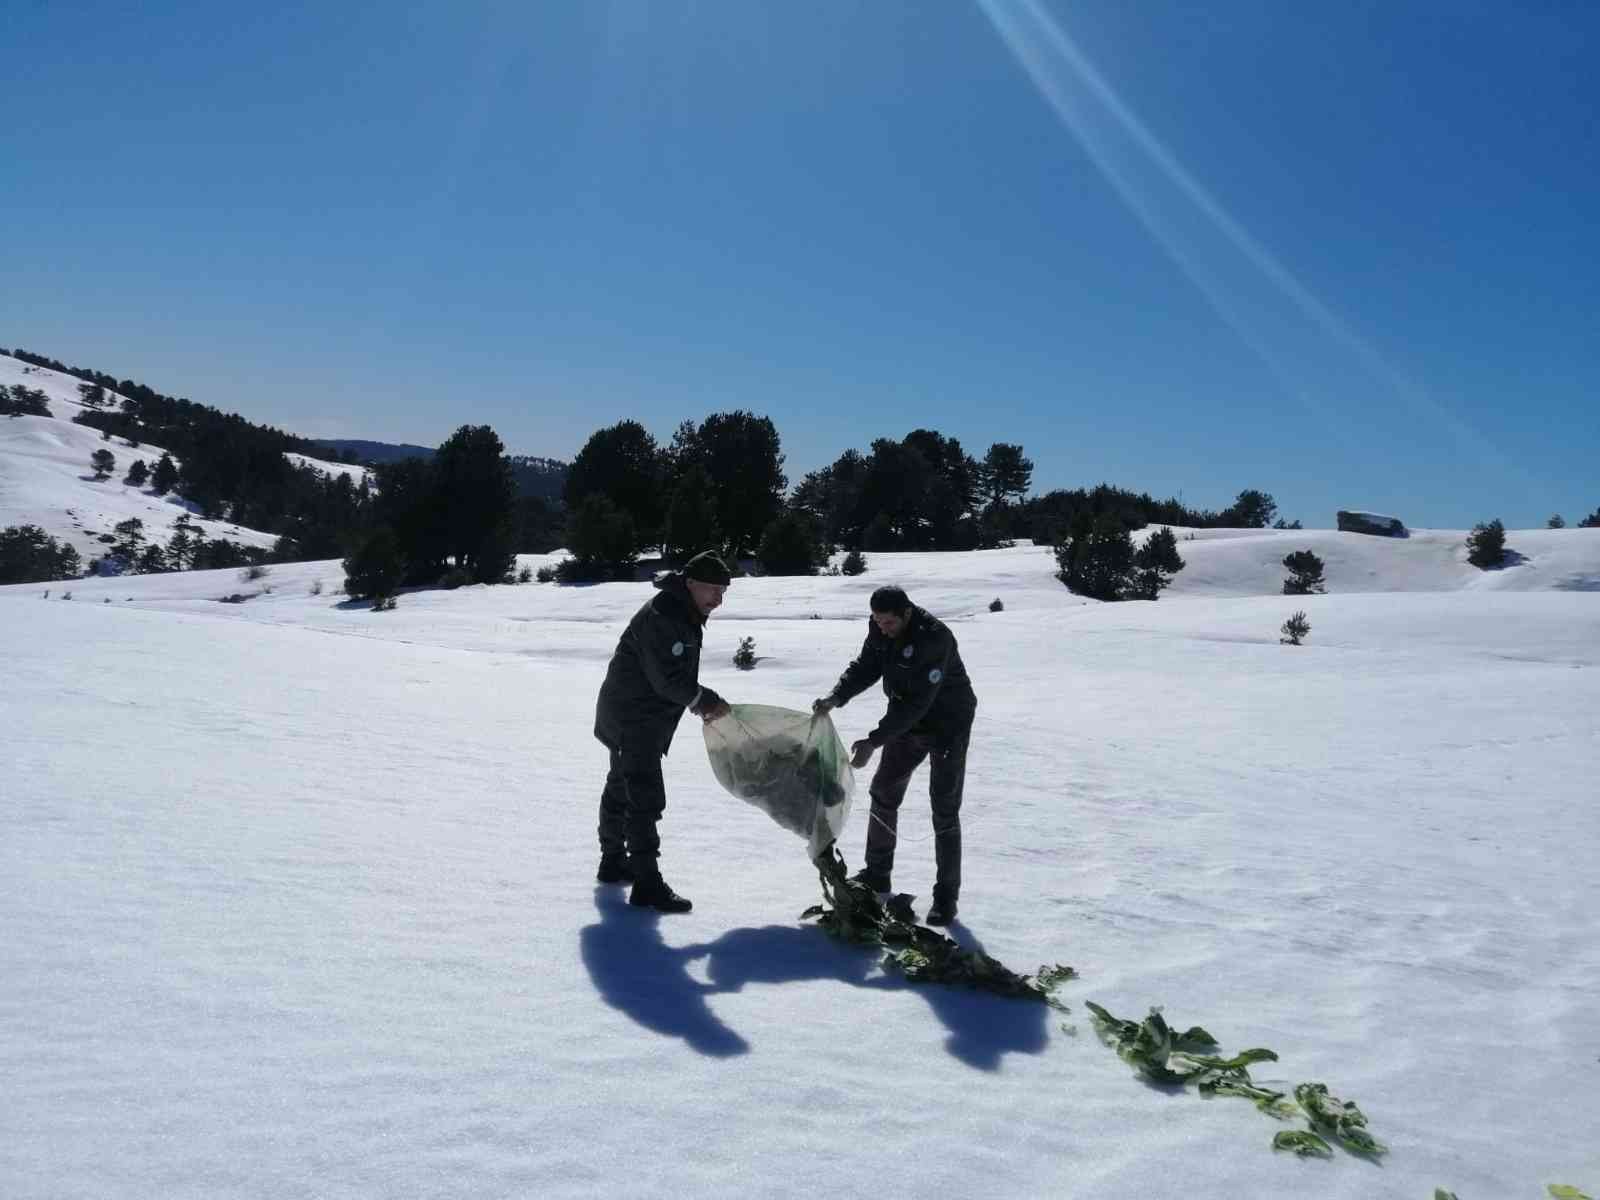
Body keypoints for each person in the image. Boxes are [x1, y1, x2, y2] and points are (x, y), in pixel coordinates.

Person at [813, 586, 977, 925]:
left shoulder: (934, 638)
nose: (882, 628)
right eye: (877, 622)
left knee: (944, 808)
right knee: (884, 791)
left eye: (888, 622)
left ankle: (946, 898)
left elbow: (918, 703)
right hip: (907, 722)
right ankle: (877, 874)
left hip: (948, 724)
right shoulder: (880, 627)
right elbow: (866, 666)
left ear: (907, 613)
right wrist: (836, 697)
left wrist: (874, 741)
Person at [593, 550, 734, 913]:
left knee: (621, 784)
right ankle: (647, 884)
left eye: (723, 592)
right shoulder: (665, 616)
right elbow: (666, 679)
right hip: (633, 718)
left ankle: (613, 862)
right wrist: (704, 701)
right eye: (712, 590)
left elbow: (671, 675)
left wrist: (698, 702)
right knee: (644, 796)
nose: (718, 599)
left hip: (633, 714)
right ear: (690, 583)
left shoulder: (682, 610)